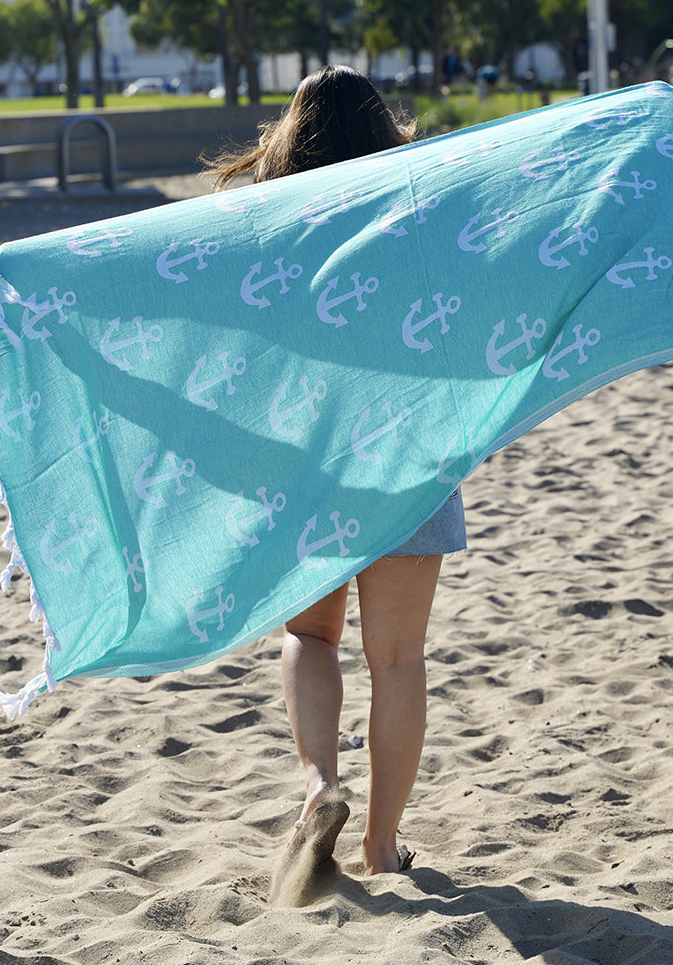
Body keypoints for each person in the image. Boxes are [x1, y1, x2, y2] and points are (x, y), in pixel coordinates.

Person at [204, 66, 467, 884]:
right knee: (399, 660)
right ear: (385, 130)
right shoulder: (421, 221)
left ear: (289, 139)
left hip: (304, 459)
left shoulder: (263, 230)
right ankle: (381, 847)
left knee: (308, 635)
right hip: (410, 457)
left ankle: (320, 781)